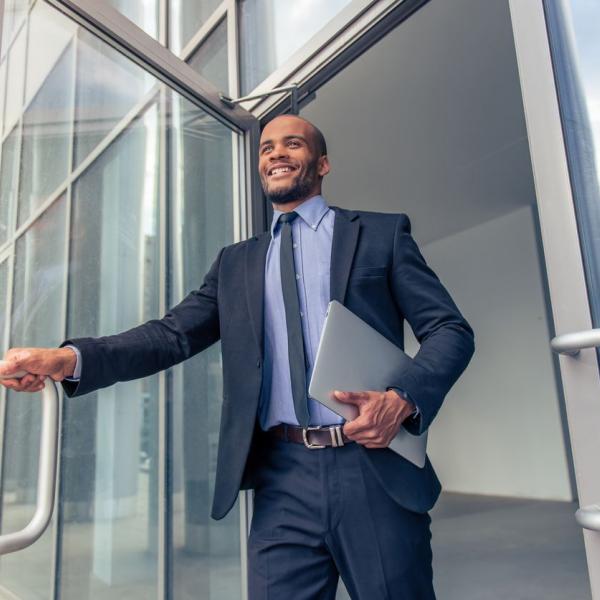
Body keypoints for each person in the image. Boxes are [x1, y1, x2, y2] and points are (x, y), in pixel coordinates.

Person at [0, 114, 474, 599]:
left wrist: (402, 399)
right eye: (266, 148)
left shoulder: (380, 234)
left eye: (293, 143)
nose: (276, 154)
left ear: (323, 163)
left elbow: (450, 330)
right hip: (282, 476)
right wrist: (69, 358)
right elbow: (170, 336)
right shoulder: (236, 263)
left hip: (374, 469)